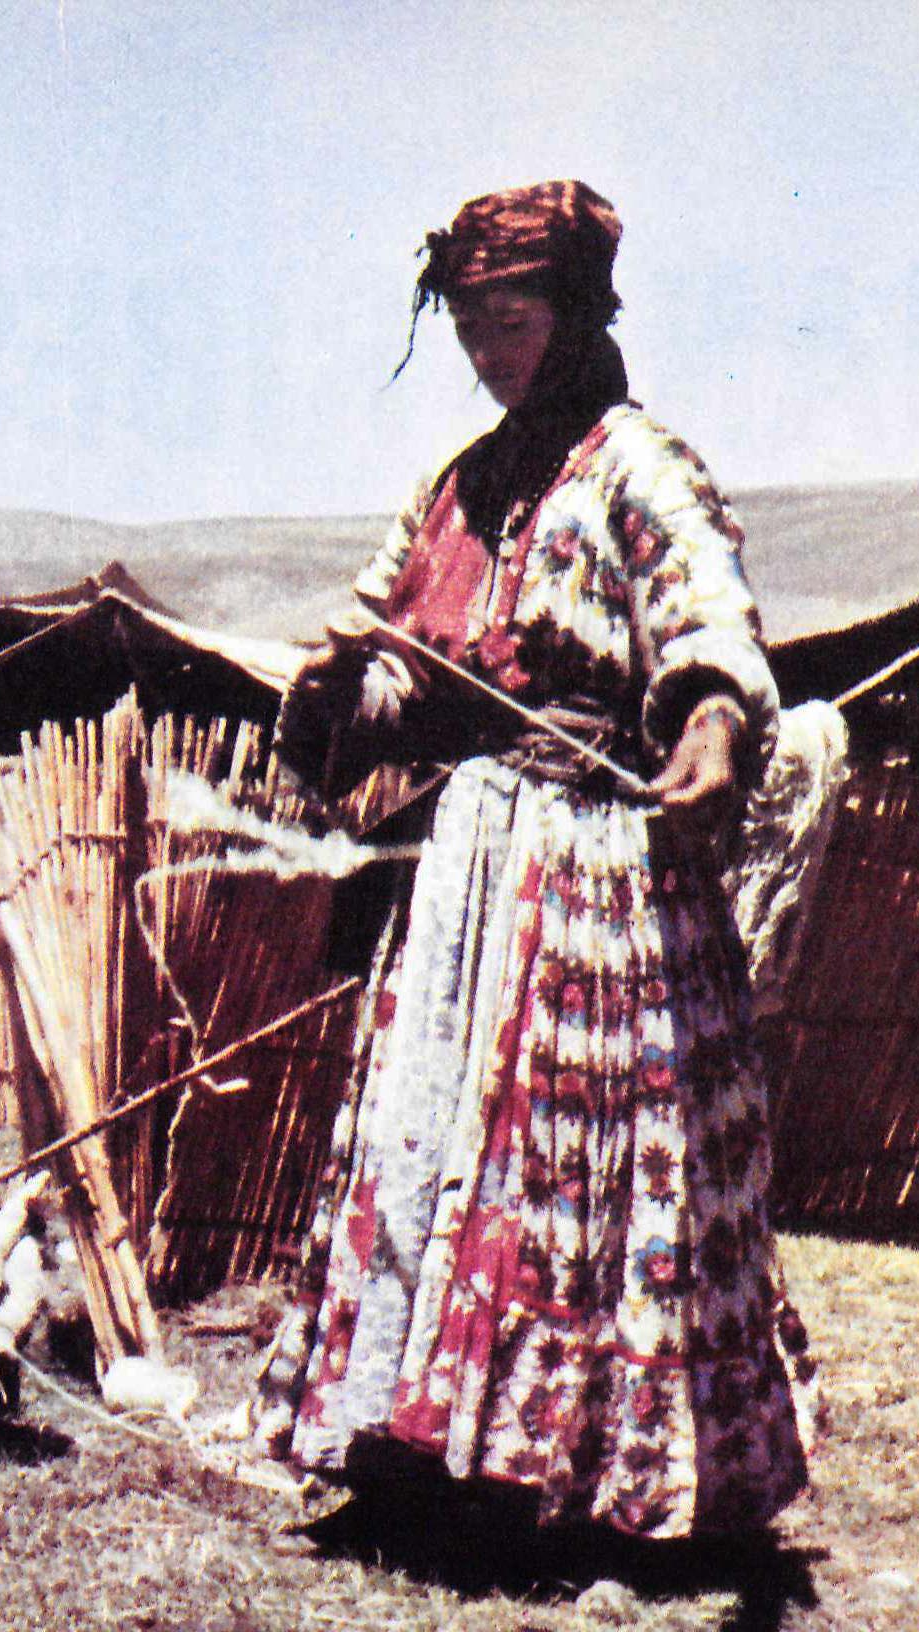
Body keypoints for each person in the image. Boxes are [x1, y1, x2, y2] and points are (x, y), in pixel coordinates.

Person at [259, 181, 812, 1539]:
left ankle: (572, 1475)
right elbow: (394, 672)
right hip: (463, 878)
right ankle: (421, 1446)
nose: (487, 351)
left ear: (574, 315)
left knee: (581, 1166)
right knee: (431, 1138)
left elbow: (704, 614)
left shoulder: (638, 466)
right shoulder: (455, 492)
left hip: (599, 875)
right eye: (467, 326)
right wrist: (336, 687)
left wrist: (708, 718)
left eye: (509, 321)